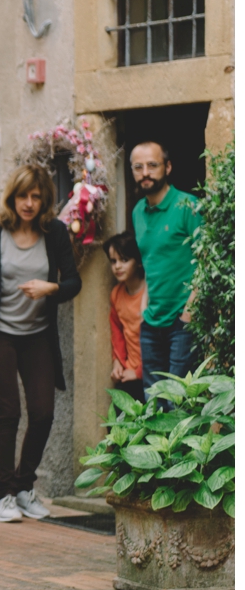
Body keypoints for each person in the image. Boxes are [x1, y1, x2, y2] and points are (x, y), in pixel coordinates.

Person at [0, 166, 81, 524]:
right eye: (23, 196)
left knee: (43, 412)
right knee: (8, 413)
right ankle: (4, 494)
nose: (29, 203)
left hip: (38, 335)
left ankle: (24, 486)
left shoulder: (54, 234)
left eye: (36, 197)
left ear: (45, 201)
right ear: (12, 197)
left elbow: (73, 282)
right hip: (1, 336)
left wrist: (50, 288)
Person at [128, 141, 200, 389]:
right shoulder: (138, 211)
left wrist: (188, 314)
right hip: (151, 323)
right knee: (153, 403)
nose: (145, 172)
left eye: (152, 165)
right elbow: (150, 264)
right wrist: (143, 310)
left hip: (182, 323)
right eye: (138, 167)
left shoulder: (188, 205)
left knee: (178, 403)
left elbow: (206, 262)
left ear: (167, 167)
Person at [104, 232, 147, 403]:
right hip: (128, 372)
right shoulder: (116, 294)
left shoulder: (149, 293)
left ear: (138, 262)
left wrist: (138, 373)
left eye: (124, 260)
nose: (117, 267)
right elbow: (117, 332)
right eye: (113, 261)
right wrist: (118, 363)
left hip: (149, 371)